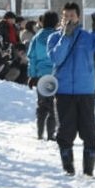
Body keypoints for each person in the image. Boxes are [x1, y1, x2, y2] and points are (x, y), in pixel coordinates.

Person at [47, 3, 95, 177]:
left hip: (85, 91)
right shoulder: (55, 38)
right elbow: (56, 57)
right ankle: (68, 168)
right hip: (63, 91)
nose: (69, 19)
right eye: (66, 16)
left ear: (78, 17)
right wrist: (66, 37)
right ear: (62, 18)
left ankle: (88, 170)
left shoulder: (87, 37)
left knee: (90, 133)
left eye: (72, 16)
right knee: (65, 132)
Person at [27, 11, 59, 141]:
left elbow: (32, 58)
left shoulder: (36, 37)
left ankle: (40, 133)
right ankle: (51, 135)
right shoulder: (58, 36)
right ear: (56, 23)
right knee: (54, 106)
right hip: (55, 75)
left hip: (40, 76)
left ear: (42, 22)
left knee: (42, 104)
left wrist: (32, 75)